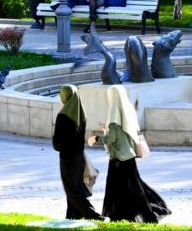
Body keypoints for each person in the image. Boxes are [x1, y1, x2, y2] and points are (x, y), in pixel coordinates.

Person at [96, 86, 170, 223]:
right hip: (129, 157)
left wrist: (95, 138)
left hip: (118, 159)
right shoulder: (127, 112)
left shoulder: (113, 118)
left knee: (117, 189)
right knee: (134, 187)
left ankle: (120, 215)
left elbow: (110, 139)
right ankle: (148, 210)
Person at [52, 85, 104, 220]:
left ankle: (94, 215)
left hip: (67, 157)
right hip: (79, 156)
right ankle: (72, 216)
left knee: (72, 190)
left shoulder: (63, 116)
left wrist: (57, 144)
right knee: (75, 186)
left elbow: (57, 142)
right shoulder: (81, 115)